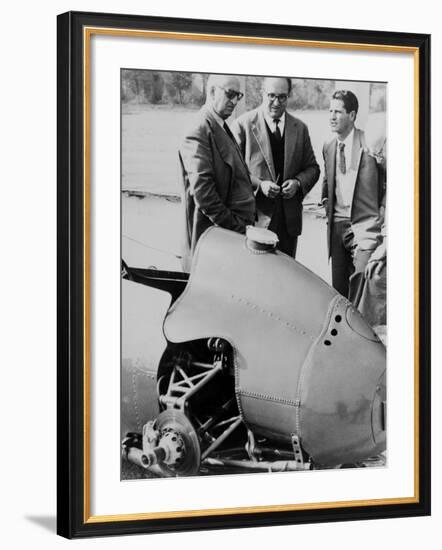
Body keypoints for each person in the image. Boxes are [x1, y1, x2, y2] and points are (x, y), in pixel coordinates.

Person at [231, 77, 320, 257]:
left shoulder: (300, 128)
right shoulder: (243, 125)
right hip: (255, 221)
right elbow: (233, 172)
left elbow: (313, 168)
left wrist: (297, 183)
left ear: (289, 96)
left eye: (282, 97)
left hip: (289, 225)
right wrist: (259, 184)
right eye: (271, 96)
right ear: (262, 93)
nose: (276, 103)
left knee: (285, 279)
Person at [178, 74, 256, 270]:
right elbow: (205, 196)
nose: (234, 102)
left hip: (226, 241)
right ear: (212, 91)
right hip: (210, 244)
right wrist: (238, 229)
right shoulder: (198, 129)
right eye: (230, 94)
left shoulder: (220, 126)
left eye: (238, 96)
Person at [321, 90, 384, 301]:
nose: (332, 116)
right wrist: (325, 201)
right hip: (336, 226)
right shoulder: (328, 146)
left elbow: (387, 183)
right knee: (338, 291)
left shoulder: (369, 144)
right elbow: (327, 180)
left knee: (360, 286)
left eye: (338, 112)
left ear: (352, 115)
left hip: (364, 226)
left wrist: (382, 212)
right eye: (330, 111)